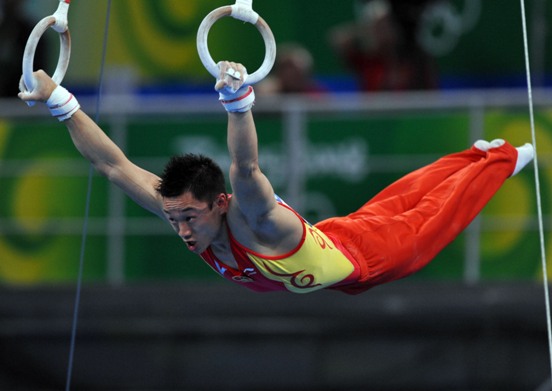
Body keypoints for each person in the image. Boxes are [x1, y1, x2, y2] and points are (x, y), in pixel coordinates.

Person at [18, 62, 534, 295]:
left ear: (220, 203)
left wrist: (237, 104)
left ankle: (504, 159)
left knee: (435, 214)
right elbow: (113, 165)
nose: (180, 230)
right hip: (334, 241)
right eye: (173, 218)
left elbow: (246, 168)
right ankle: (473, 154)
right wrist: (61, 103)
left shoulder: (255, 219)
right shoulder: (181, 208)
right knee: (402, 196)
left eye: (189, 217)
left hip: (369, 261)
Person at [329, 0, 438, 91]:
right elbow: (338, 39)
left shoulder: (415, 60)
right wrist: (367, 29)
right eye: (378, 28)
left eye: (386, 26)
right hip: (375, 116)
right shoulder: (367, 62)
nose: (383, 32)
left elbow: (430, 96)